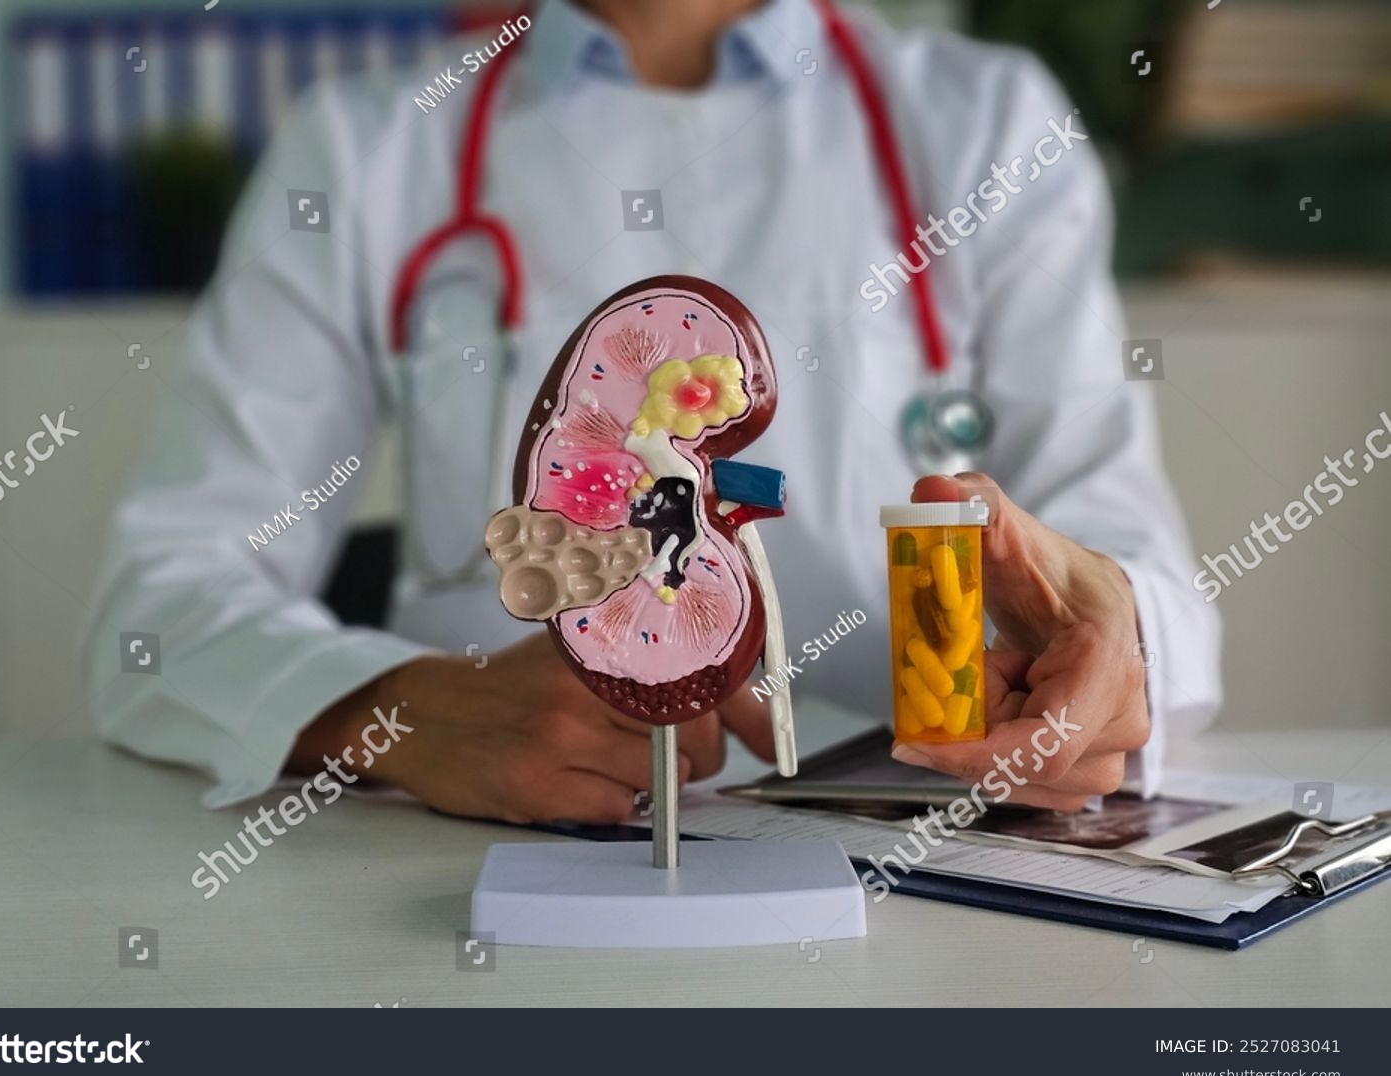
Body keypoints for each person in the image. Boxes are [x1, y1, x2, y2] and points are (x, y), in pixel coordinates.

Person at [85, 0, 1220, 821]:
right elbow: (160, 605)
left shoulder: (986, 126)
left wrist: (1120, 648)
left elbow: (1137, 573)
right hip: (479, 870)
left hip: (936, 871)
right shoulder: (365, 145)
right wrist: (398, 712)